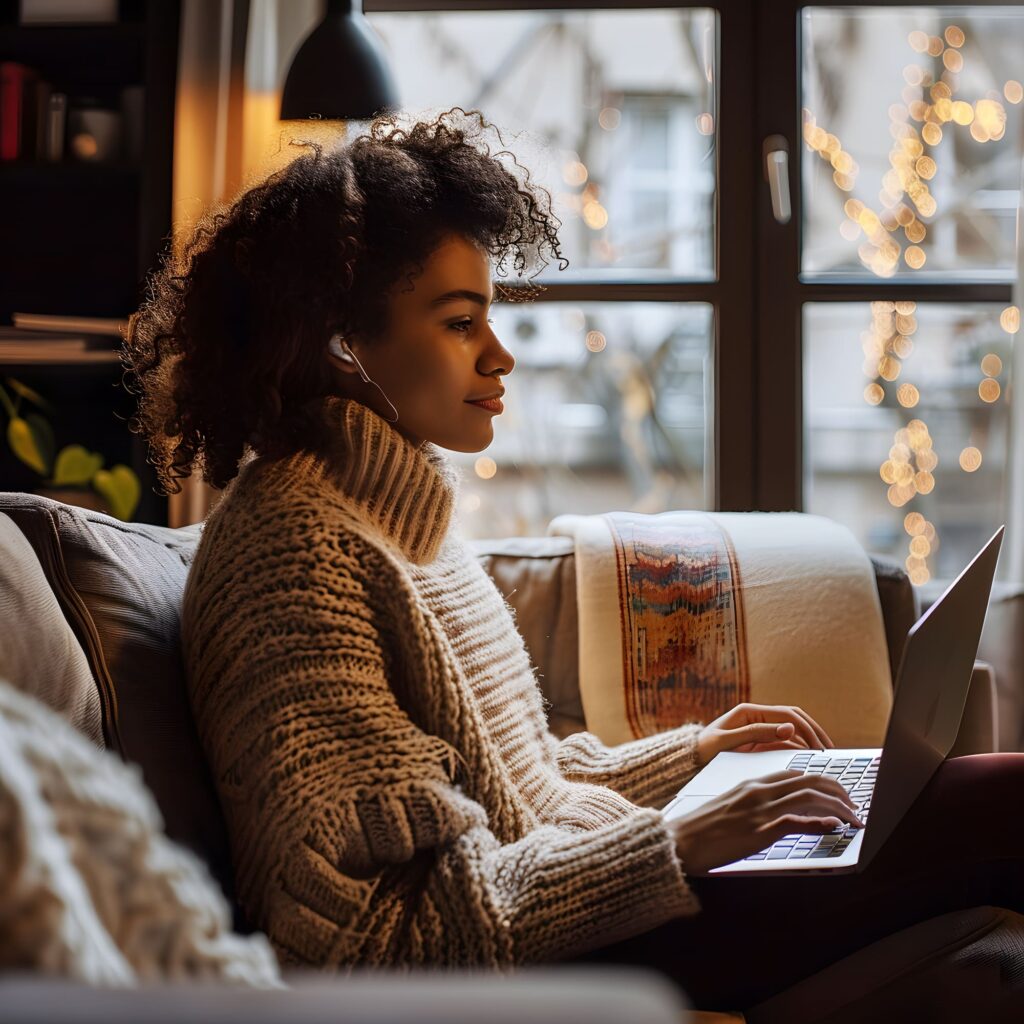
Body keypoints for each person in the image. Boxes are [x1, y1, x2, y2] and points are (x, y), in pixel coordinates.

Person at [121, 107, 1024, 1012]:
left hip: (616, 908)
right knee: (1002, 805)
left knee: (967, 796)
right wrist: (678, 846)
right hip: (583, 952)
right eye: (460, 323)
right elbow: (368, 940)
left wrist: (696, 759)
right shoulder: (294, 560)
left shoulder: (398, 519)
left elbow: (521, 792)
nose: (500, 356)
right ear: (342, 344)